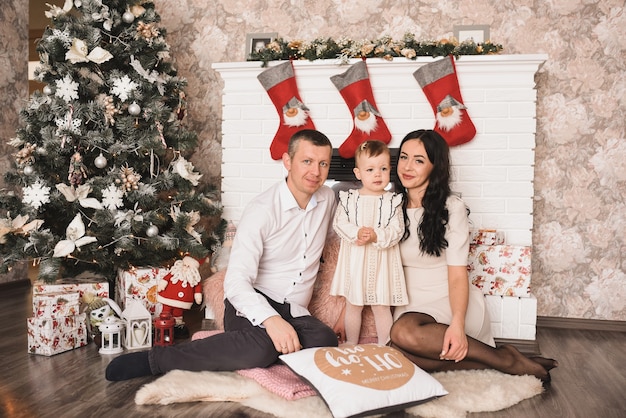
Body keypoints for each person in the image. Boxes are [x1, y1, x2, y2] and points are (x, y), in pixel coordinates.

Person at [105, 129, 339, 381]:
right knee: (260, 349)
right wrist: (270, 319)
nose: (315, 171)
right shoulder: (262, 211)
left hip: (294, 309)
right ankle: (157, 359)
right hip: (251, 301)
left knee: (325, 339)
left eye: (323, 163)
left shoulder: (327, 199)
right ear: (288, 161)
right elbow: (236, 283)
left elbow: (341, 236)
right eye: (307, 161)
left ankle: (253, 345)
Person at [388, 129, 557, 382]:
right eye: (403, 157)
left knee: (404, 333)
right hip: (411, 304)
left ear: (435, 167)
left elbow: (457, 274)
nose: (408, 166)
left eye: (419, 160)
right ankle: (500, 360)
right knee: (396, 354)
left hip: (449, 298)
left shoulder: (451, 207)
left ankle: (506, 360)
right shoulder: (390, 207)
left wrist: (457, 323)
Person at [330, 140, 407, 345]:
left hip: (381, 262)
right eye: (370, 169)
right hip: (356, 260)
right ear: (358, 173)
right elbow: (339, 223)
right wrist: (357, 232)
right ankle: (351, 343)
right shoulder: (348, 199)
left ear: (390, 171)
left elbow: (397, 229)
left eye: (383, 169)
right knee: (353, 304)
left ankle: (386, 345)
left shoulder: (393, 201)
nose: (377, 174)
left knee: (381, 306)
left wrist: (377, 236)